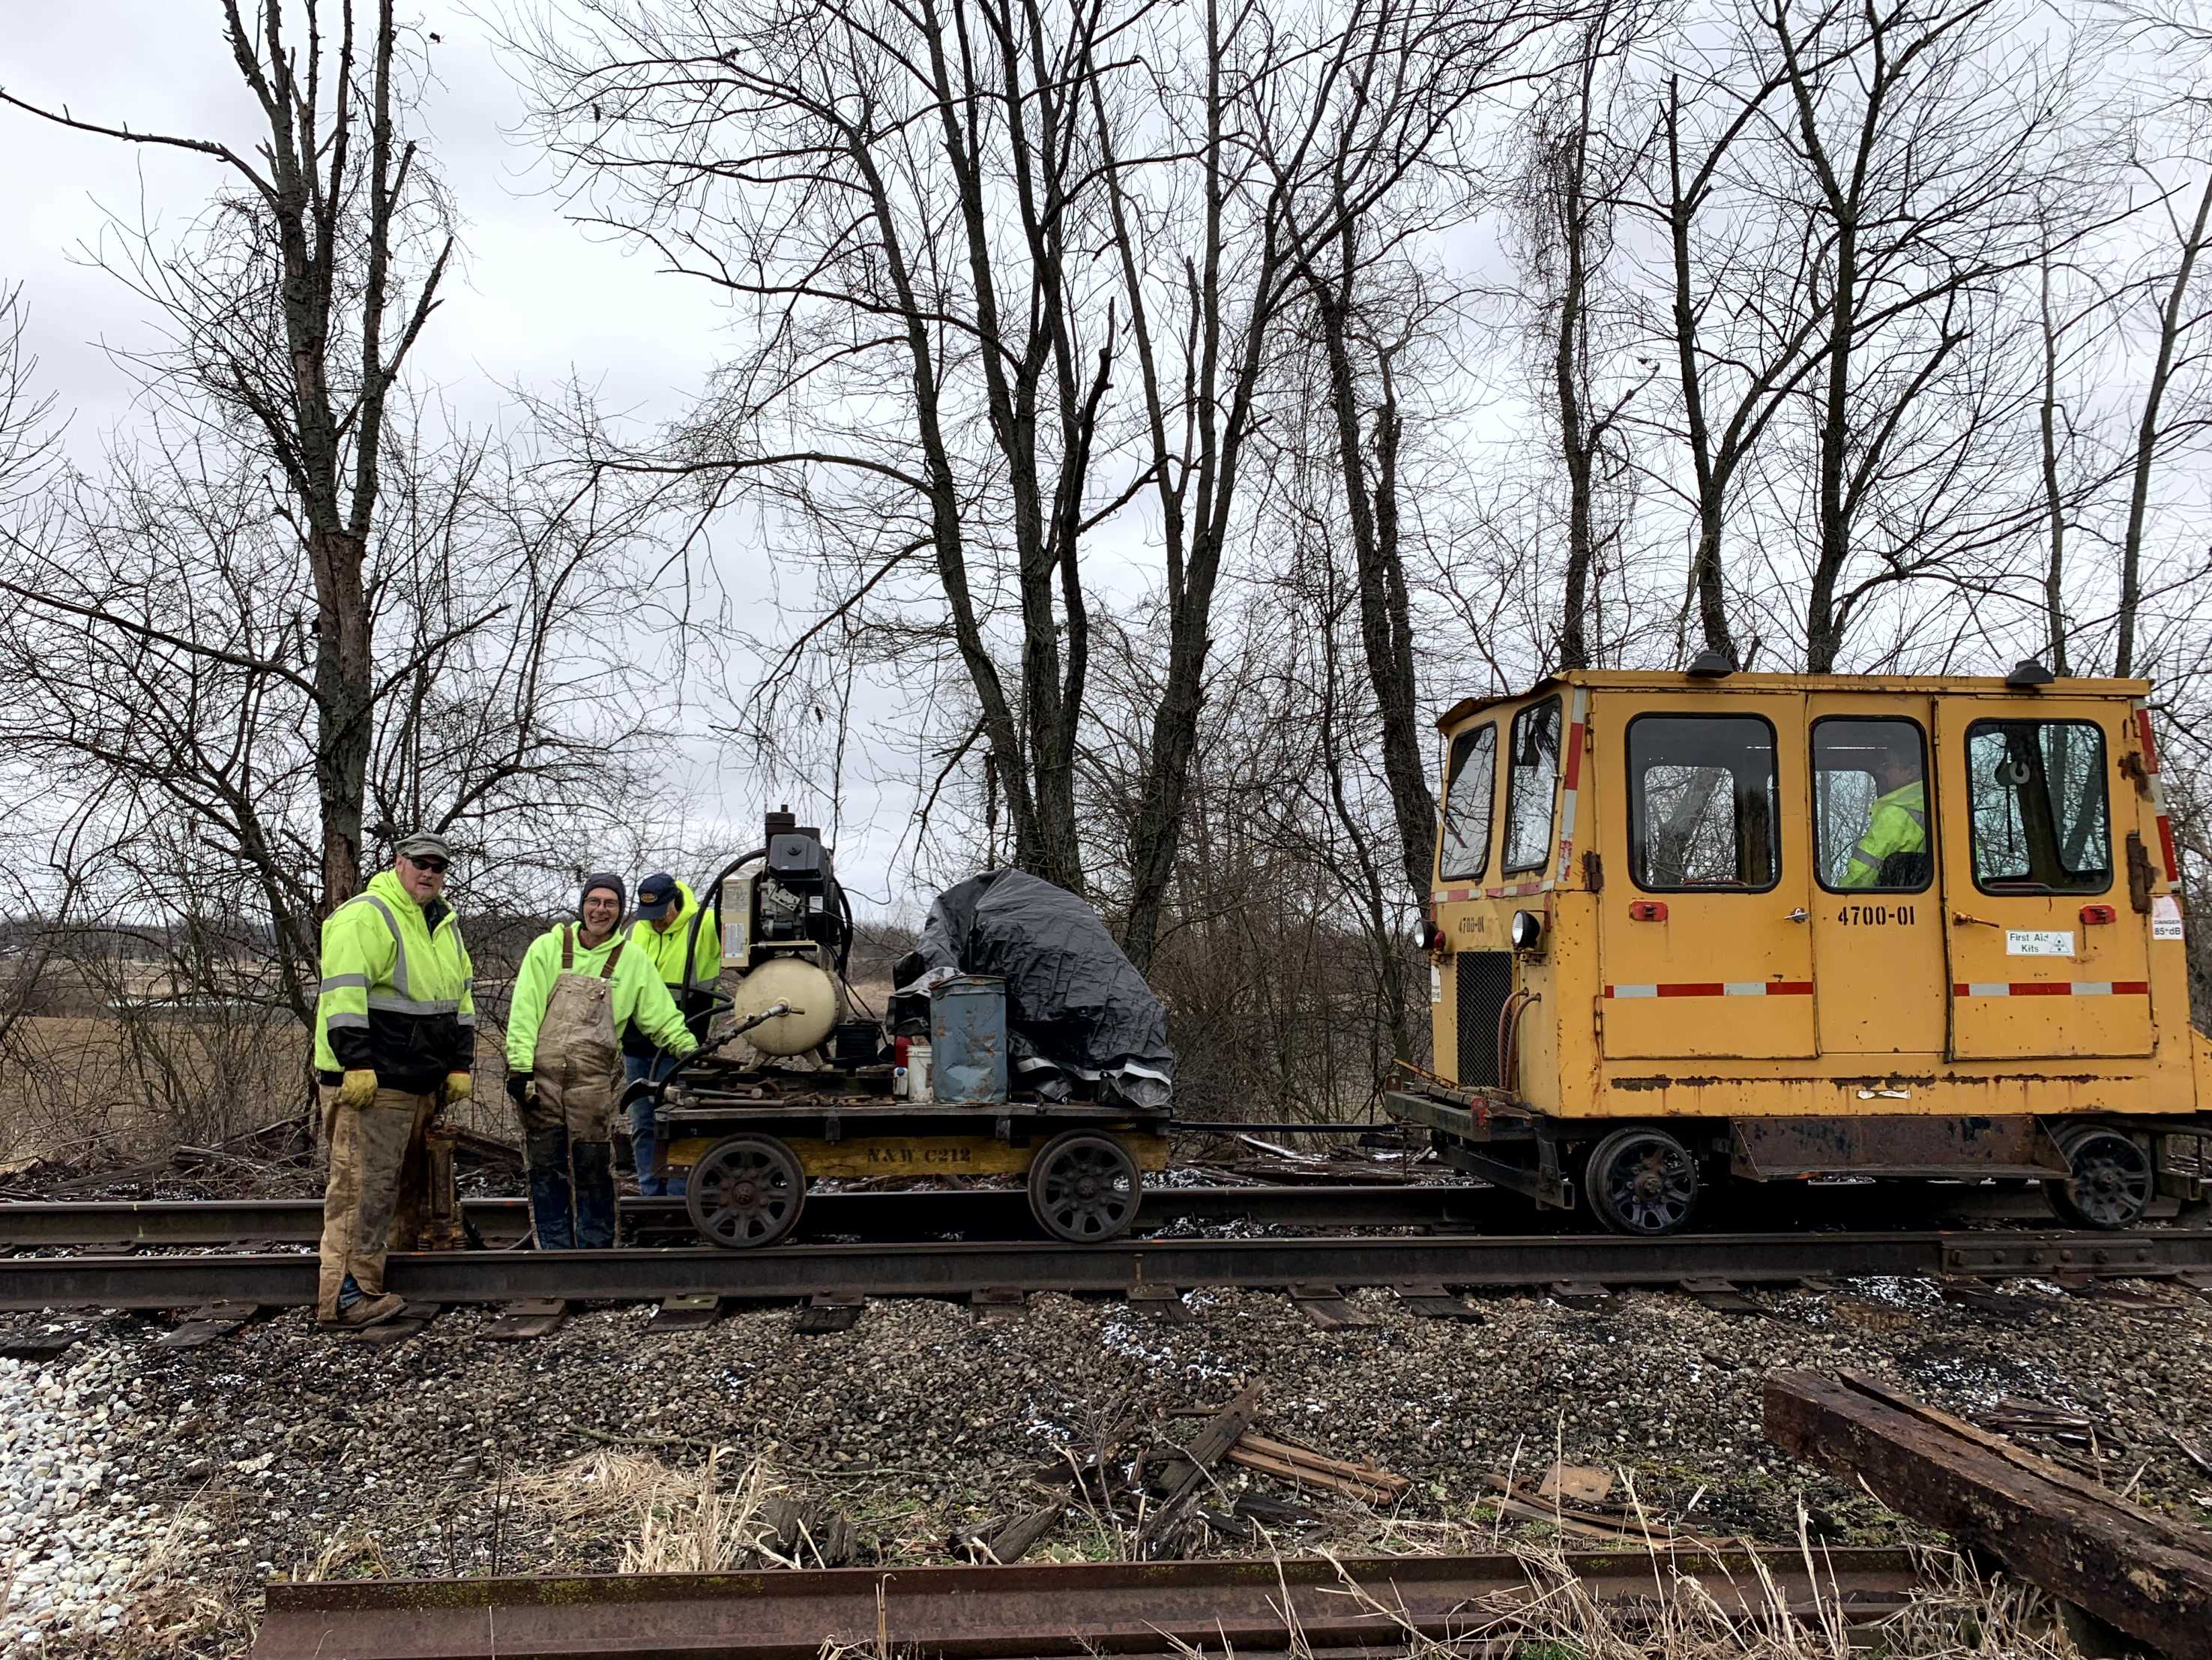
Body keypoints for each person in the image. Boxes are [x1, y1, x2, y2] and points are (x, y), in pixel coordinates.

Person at [313, 831, 476, 1329]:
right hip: (375, 1081)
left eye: (438, 866)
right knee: (362, 1189)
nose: (429, 873)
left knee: (404, 1191)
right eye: (420, 863)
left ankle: (383, 1282)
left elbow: (460, 1000)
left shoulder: (442, 925)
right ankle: (344, 1299)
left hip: (418, 1082)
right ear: (399, 863)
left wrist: (459, 1063)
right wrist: (355, 1063)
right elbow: (343, 995)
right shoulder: (369, 915)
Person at [505, 873, 699, 1247]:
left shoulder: (631, 960)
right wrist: (520, 1066)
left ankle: (594, 1254)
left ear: (620, 911)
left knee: (592, 1168)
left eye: (610, 903)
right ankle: (553, 1252)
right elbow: (524, 1010)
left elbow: (660, 1016)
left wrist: (688, 1051)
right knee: (546, 1169)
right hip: (540, 1080)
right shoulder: (547, 948)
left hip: (592, 1085)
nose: (601, 910)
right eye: (594, 901)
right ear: (582, 905)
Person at [624, 871, 723, 1195]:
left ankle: (682, 1196)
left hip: (683, 1045)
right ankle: (651, 1194)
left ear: (676, 903)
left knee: (682, 1122)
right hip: (638, 1047)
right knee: (644, 1125)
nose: (655, 923)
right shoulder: (634, 932)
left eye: (661, 915)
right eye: (648, 916)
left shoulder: (705, 925)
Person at [1838, 739, 1929, 888]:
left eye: (1888, 766)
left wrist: (1841, 893)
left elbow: (1863, 874)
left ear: (1911, 772)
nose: (1882, 771)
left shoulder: (1896, 813)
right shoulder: (1940, 807)